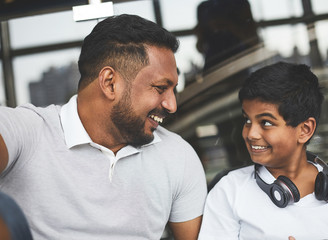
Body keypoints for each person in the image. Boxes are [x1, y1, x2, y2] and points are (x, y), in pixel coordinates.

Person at [0, 14, 207, 240]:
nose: (172, 105)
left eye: (173, 90)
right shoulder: (28, 131)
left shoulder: (179, 156)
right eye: (160, 88)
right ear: (110, 83)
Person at [198, 61, 328, 239]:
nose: (250, 133)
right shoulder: (230, 191)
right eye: (247, 120)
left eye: (266, 122)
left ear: (305, 130)